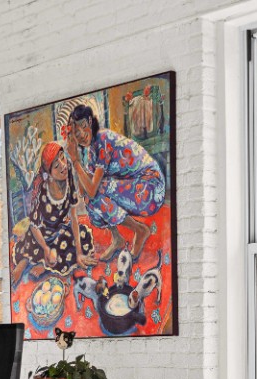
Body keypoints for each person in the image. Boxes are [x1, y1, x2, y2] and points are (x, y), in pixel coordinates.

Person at [65, 104, 166, 261]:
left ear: (90, 121)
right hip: (137, 190)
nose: (81, 135)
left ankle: (140, 230)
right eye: (76, 133)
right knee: (91, 202)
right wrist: (76, 159)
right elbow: (84, 192)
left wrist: (75, 161)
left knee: (98, 190)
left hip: (151, 188)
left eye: (83, 126)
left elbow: (92, 190)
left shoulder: (103, 139)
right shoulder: (92, 152)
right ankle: (117, 239)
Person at [12, 142, 96, 283]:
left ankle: (45, 262)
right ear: (49, 173)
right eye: (56, 166)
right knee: (31, 246)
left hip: (58, 232)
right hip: (39, 235)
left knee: (81, 237)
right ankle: (27, 262)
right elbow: (34, 226)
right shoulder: (42, 190)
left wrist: (79, 253)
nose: (63, 166)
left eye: (63, 158)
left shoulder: (68, 177)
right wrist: (45, 248)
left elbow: (74, 218)